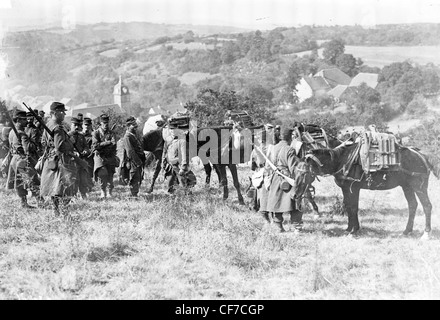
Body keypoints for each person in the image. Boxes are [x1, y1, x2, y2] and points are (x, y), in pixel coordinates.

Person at [40, 102, 78, 216]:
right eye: (61, 112)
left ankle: (56, 211)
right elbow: (60, 146)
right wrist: (70, 143)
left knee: (54, 187)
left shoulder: (49, 125)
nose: (64, 114)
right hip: (61, 160)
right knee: (67, 185)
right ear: (54, 113)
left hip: (51, 159)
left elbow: (43, 142)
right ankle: (64, 211)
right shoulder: (57, 127)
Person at [266, 128, 303, 233]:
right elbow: (293, 167)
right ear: (290, 137)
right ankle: (296, 226)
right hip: (287, 179)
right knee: (295, 202)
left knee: (276, 202)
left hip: (275, 178)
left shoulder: (272, 148)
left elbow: (267, 166)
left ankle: (278, 227)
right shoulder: (289, 149)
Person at [7, 110, 42, 208]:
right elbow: (29, 148)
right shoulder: (21, 133)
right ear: (18, 120)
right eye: (24, 119)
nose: (26, 121)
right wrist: (33, 143)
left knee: (19, 182)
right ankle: (40, 201)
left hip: (15, 159)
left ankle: (24, 203)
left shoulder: (11, 132)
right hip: (22, 160)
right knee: (32, 180)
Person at [161, 120, 195, 194]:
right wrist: (163, 164)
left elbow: (184, 155)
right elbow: (164, 152)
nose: (172, 131)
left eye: (174, 129)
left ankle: (188, 197)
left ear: (177, 129)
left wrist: (183, 168)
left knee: (184, 182)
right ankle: (172, 197)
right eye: (171, 129)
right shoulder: (168, 139)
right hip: (170, 165)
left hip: (178, 165)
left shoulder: (182, 140)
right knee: (170, 182)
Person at [92, 114, 118, 198]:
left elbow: (114, 144)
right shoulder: (96, 133)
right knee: (102, 173)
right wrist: (107, 142)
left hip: (110, 155)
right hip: (100, 156)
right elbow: (95, 146)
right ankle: (103, 191)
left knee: (110, 174)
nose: (106, 124)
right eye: (104, 123)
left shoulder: (111, 133)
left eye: (107, 123)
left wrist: (103, 145)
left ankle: (110, 191)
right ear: (100, 124)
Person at [119, 116, 146, 197]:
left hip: (137, 159)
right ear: (128, 126)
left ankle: (135, 193)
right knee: (134, 177)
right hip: (133, 161)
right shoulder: (127, 137)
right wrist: (138, 162)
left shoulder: (133, 134)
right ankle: (134, 195)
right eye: (132, 125)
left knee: (138, 177)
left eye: (135, 124)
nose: (135, 126)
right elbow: (130, 151)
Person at [68, 117, 92, 199]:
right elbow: (65, 149)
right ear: (71, 125)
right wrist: (74, 153)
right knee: (74, 180)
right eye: (75, 125)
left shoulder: (81, 136)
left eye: (78, 125)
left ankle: (83, 194)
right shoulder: (67, 136)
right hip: (72, 162)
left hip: (81, 161)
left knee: (83, 179)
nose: (77, 127)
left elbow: (86, 147)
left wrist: (85, 151)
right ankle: (73, 196)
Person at [82, 117, 94, 183]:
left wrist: (89, 151)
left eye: (88, 125)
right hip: (79, 157)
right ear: (82, 125)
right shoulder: (79, 135)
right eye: (85, 124)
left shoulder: (92, 136)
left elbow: (94, 146)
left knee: (89, 173)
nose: (87, 126)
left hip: (89, 157)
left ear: (90, 126)